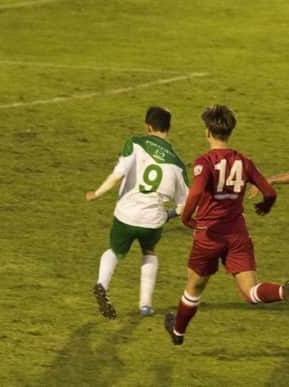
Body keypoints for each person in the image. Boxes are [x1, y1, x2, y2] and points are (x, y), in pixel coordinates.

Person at [165, 104, 288, 345]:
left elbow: (197, 192)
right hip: (237, 234)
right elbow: (269, 192)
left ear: (207, 133)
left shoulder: (205, 161)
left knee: (194, 286)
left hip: (209, 236)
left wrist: (187, 217)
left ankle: (178, 332)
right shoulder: (244, 161)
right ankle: (285, 291)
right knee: (251, 292)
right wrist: (266, 205)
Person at [86, 106, 189, 319]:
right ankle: (145, 305)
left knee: (114, 250)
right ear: (167, 129)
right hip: (153, 222)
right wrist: (169, 215)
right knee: (149, 252)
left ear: (148, 127)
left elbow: (118, 174)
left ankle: (102, 284)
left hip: (126, 215)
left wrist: (97, 193)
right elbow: (184, 205)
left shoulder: (136, 143)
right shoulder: (178, 164)